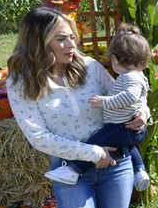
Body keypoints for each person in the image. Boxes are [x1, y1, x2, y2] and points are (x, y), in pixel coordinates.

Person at [7, 7, 148, 208]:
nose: (72, 44)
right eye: (61, 38)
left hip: (118, 165)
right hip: (71, 171)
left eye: (72, 36)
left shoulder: (90, 67)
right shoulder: (21, 82)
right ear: (39, 43)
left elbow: (128, 94)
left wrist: (143, 113)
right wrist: (91, 152)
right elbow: (38, 136)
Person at [44, 29, 151, 192]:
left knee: (97, 140)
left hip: (120, 126)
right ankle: (139, 170)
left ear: (115, 60)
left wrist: (104, 102)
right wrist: (144, 112)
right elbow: (140, 98)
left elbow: (130, 97)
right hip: (126, 127)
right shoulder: (136, 76)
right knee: (127, 144)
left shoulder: (130, 77)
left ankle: (74, 170)